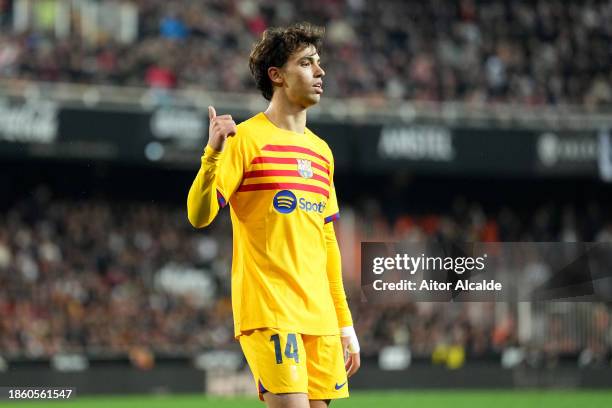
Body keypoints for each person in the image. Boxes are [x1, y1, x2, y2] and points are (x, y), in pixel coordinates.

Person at [187, 22, 360, 408]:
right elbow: (199, 216)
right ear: (277, 75)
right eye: (306, 63)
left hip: (320, 316)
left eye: (319, 63)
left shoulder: (321, 152)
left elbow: (327, 243)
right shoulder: (243, 140)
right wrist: (212, 153)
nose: (320, 72)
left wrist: (344, 323)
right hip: (270, 309)